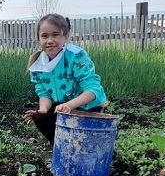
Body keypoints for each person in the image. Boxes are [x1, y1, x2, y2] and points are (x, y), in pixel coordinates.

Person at [22, 14, 107, 143]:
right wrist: (43, 110)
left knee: (87, 142)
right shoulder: (38, 65)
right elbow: (44, 93)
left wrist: (69, 105)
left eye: (55, 35)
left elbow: (93, 89)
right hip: (64, 107)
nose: (49, 40)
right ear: (38, 39)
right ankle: (63, 149)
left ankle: (81, 148)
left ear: (65, 36)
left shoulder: (76, 56)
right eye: (44, 36)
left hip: (89, 107)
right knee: (41, 119)